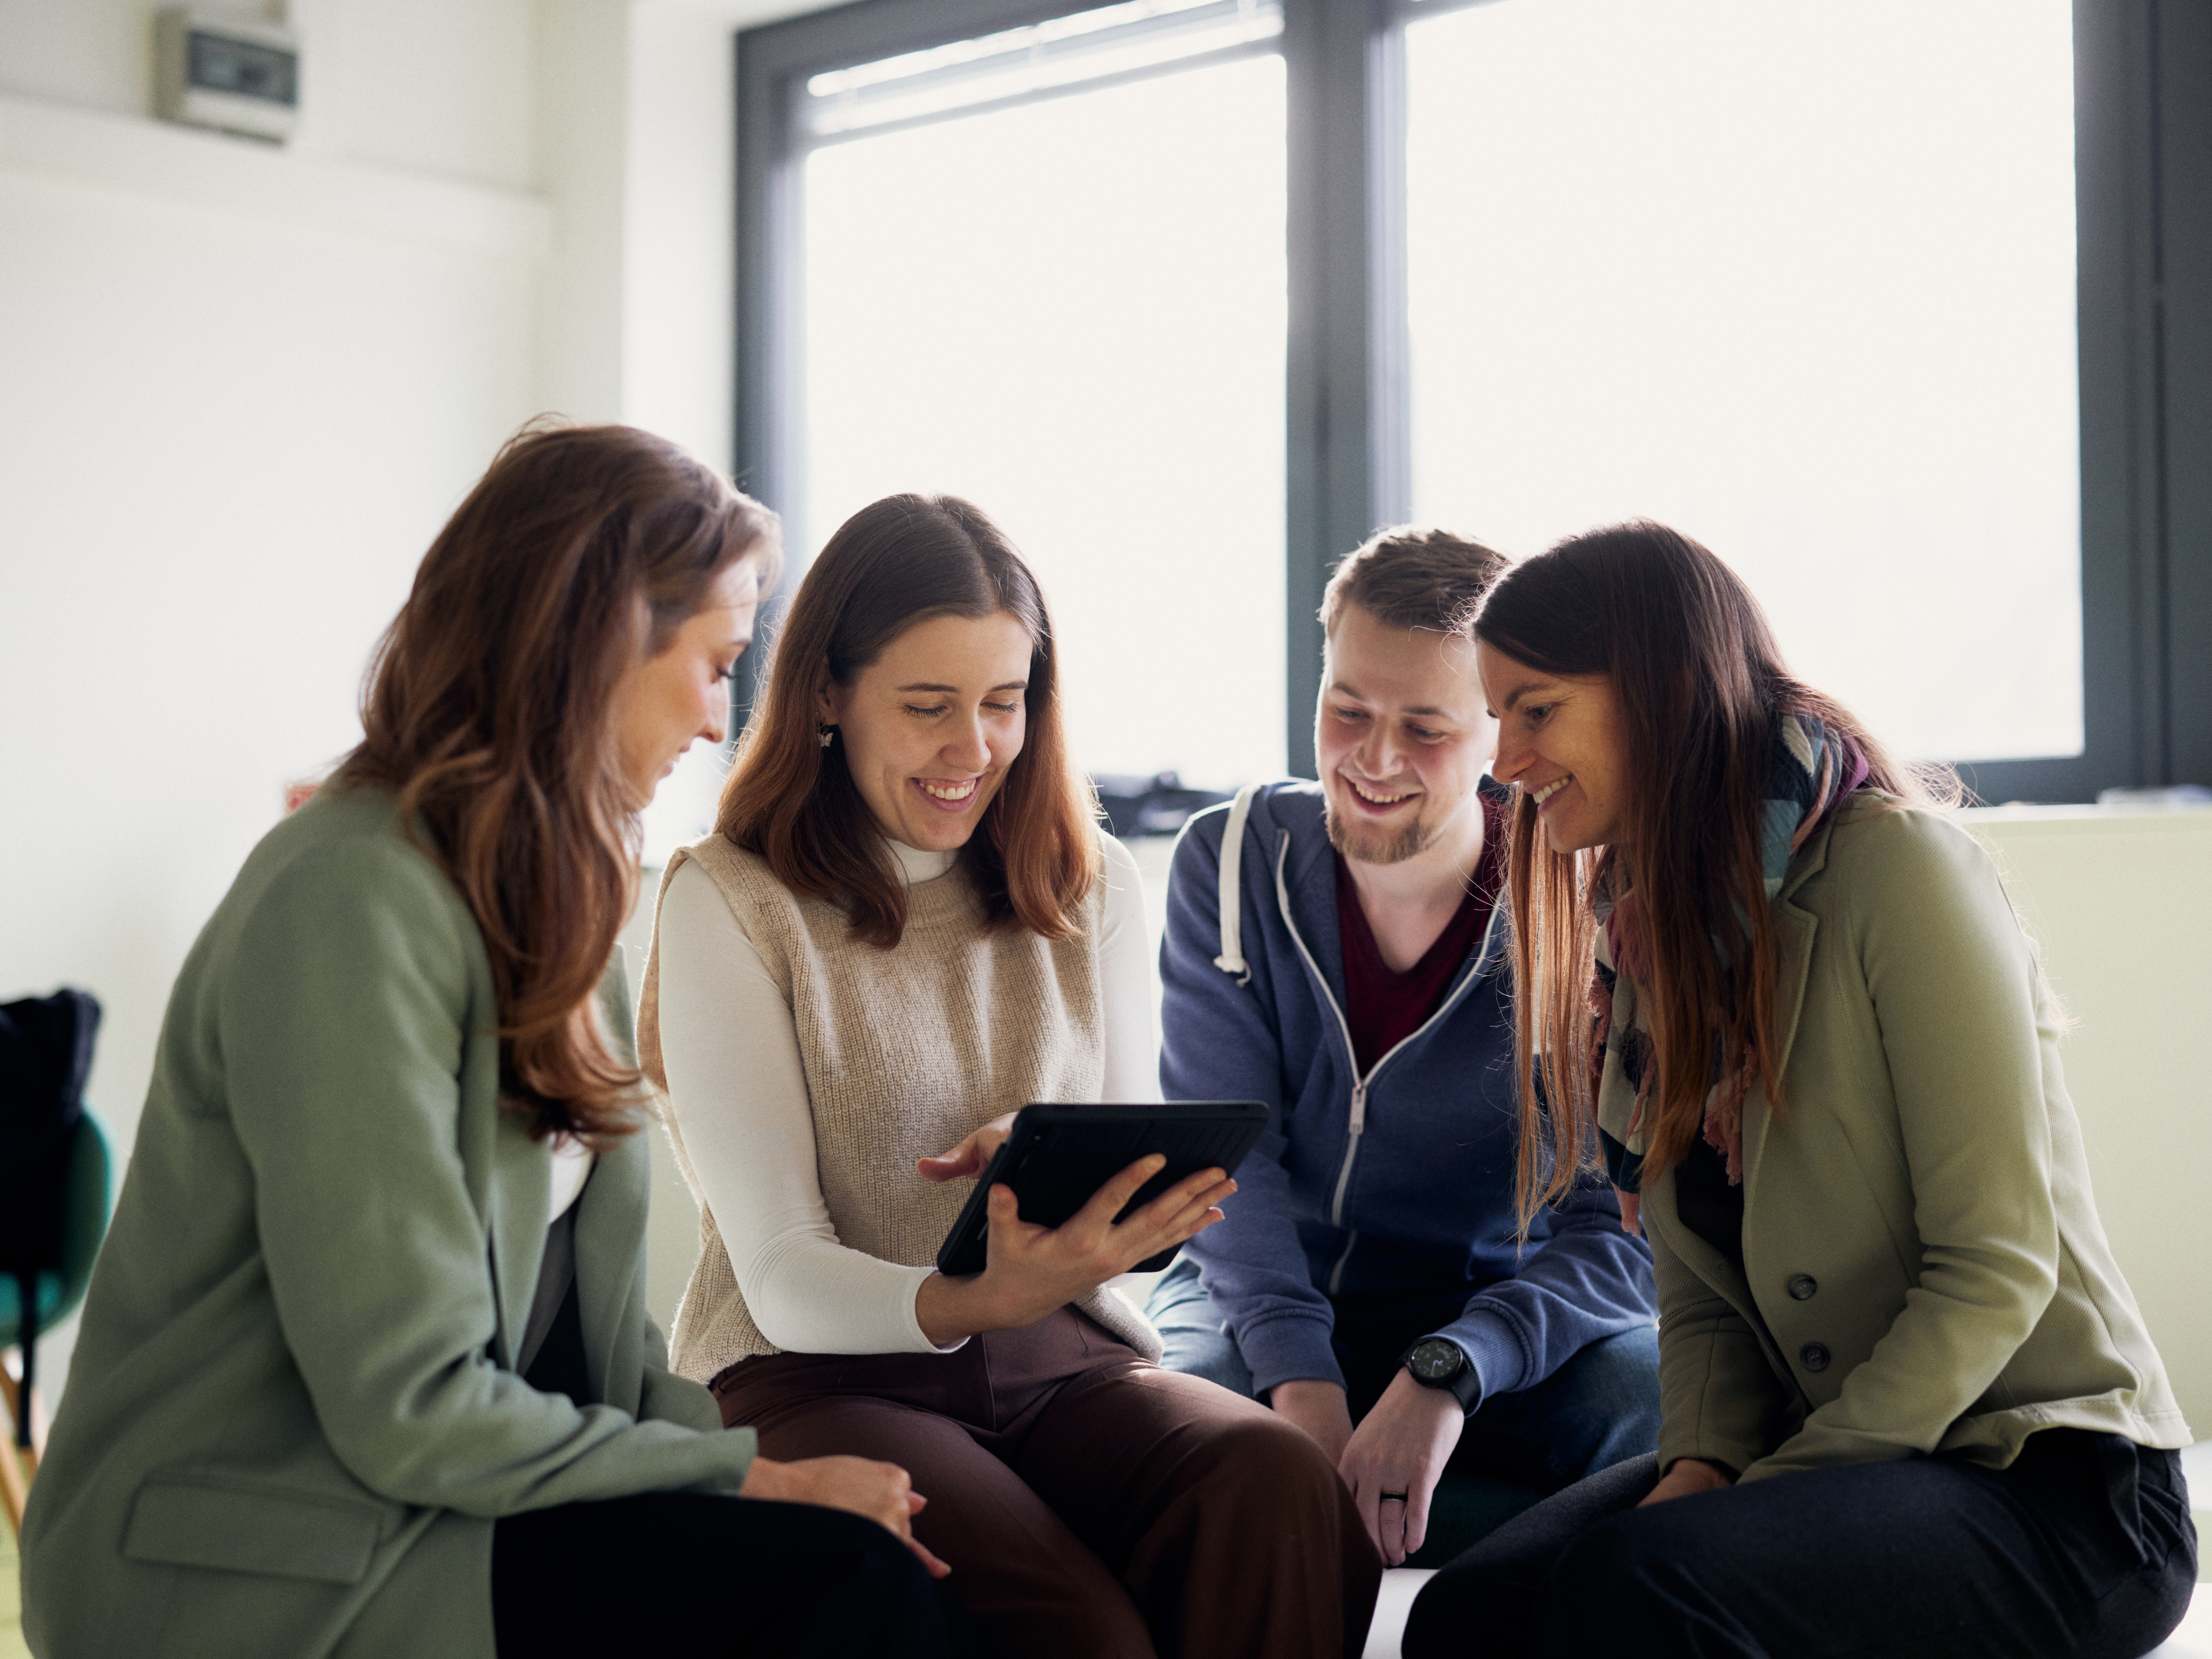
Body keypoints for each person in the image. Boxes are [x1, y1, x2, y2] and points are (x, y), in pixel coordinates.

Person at [21, 424, 973, 1659]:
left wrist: (766, 1465)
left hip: (423, 1508)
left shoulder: (544, 896)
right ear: (596, 647)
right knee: (838, 1585)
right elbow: (410, 1401)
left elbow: (601, 1348)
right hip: (254, 1549)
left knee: (882, 1563)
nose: (716, 720)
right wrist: (755, 1479)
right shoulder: (350, 899)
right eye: (717, 663)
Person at [1404, 521, 2198, 1659]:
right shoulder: (1646, 940)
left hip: (2054, 1486)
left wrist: (1768, 1491)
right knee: (1467, 1617)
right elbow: (1707, 1300)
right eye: (1498, 719)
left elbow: (1995, 1266)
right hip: (1832, 1455)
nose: (1504, 764)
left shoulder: (1902, 873)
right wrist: (1702, 1468)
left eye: (1536, 710)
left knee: (1646, 1587)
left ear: (1660, 690)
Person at [639, 492, 1383, 1659]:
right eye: (928, 707)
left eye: (1004, 704)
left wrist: (1077, 1191)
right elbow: (780, 1272)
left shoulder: (1090, 889)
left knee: (1273, 1481)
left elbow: (1147, 1216)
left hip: (1066, 1361)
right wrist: (969, 1301)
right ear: (826, 695)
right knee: (1077, 1631)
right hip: (818, 1379)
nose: (973, 749)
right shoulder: (730, 900)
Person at [1148, 525, 1661, 1569]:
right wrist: (1303, 1379)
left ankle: (1436, 1551)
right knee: (1161, 1431)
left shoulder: (1584, 898)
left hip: (1492, 1319)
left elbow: (1616, 1229)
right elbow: (1225, 1169)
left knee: (1657, 1405)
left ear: (1499, 740)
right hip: (1254, 1301)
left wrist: (1449, 1373)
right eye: (1347, 712)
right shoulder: (1230, 858)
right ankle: (1398, 1533)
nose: (1373, 762)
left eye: (1424, 728)